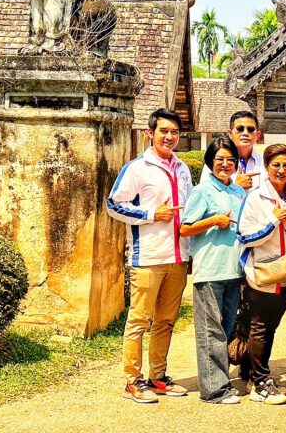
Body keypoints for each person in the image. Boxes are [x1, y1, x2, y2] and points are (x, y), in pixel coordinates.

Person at [107, 108, 194, 404]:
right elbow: (114, 205)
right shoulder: (136, 168)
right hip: (147, 257)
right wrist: (150, 214)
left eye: (174, 133)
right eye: (164, 131)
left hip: (178, 257)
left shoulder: (182, 168)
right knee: (139, 320)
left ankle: (158, 376)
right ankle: (133, 380)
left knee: (167, 320)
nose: (169, 137)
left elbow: (190, 208)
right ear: (150, 133)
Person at [180, 136, 246, 405]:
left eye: (231, 160)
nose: (226, 164)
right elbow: (184, 228)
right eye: (220, 159)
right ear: (210, 163)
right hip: (210, 269)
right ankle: (214, 390)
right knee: (211, 331)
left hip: (235, 269)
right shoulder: (202, 191)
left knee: (227, 327)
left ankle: (221, 380)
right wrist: (213, 221)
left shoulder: (239, 192)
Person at [236, 144, 286, 405]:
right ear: (266, 167)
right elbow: (245, 236)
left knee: (271, 327)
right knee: (260, 326)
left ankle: (254, 373)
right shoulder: (255, 197)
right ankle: (261, 383)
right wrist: (273, 221)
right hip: (263, 270)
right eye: (276, 165)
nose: (281, 170)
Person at [201, 111, 263, 191]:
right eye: (240, 129)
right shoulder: (217, 161)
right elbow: (204, 193)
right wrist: (235, 187)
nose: (245, 133)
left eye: (250, 129)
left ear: (257, 135)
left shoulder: (264, 163)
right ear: (230, 133)